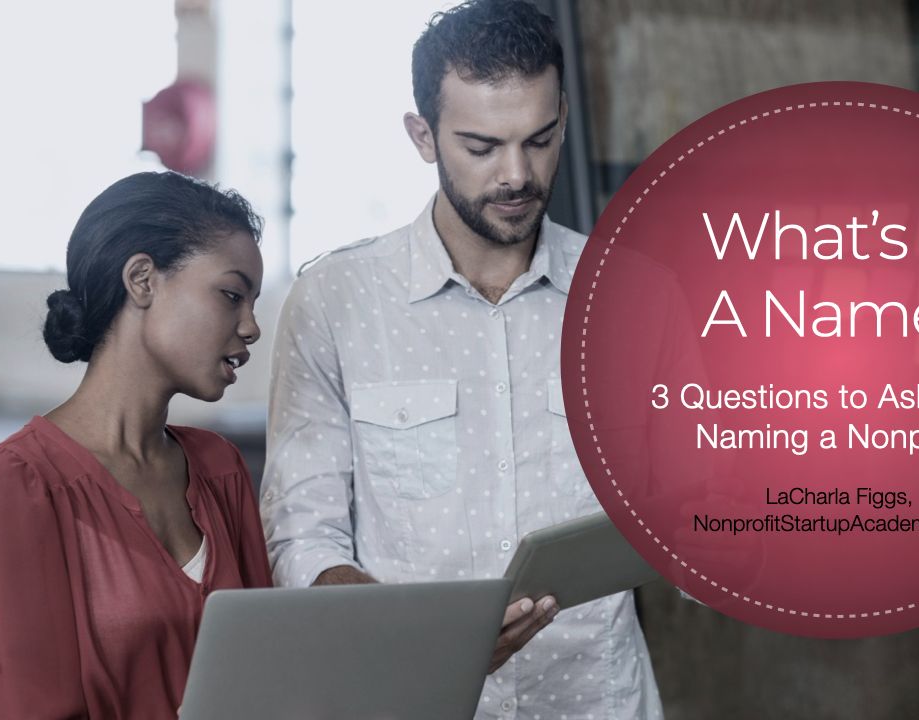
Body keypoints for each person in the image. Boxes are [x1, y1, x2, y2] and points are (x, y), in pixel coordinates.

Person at [260, 1, 662, 717]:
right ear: (423, 136)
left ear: (564, 118)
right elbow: (303, 534)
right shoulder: (336, 301)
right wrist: (425, 636)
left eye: (539, 140)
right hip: (412, 699)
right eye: (482, 147)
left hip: (594, 699)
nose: (517, 175)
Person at [0, 171, 274, 719]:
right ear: (142, 279)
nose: (251, 327)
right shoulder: (16, 484)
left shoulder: (220, 467)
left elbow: (270, 673)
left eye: (253, 303)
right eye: (231, 295)